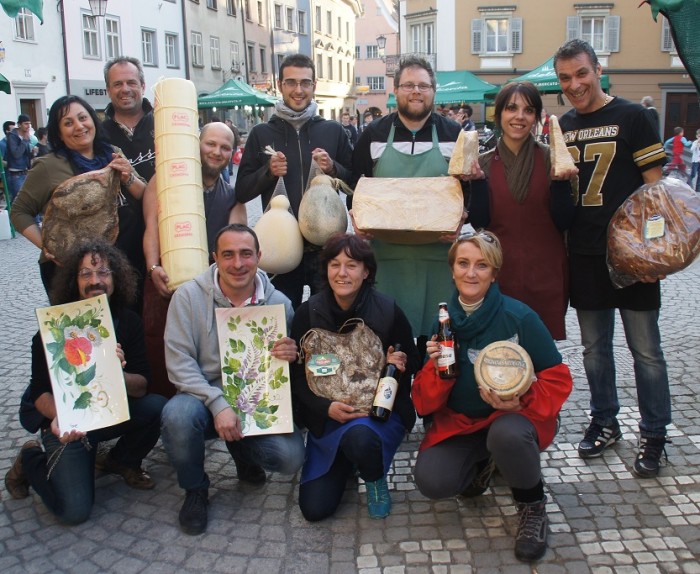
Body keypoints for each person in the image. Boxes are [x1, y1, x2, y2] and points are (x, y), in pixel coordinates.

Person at [412, 230, 573, 562]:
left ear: (495, 273)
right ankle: (485, 464)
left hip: (512, 419)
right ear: (452, 269)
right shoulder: (443, 321)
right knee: (433, 481)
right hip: (463, 423)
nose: (471, 273)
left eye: (482, 265)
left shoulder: (519, 317)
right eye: (463, 263)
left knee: (507, 433)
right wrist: (437, 367)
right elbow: (424, 403)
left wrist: (522, 398)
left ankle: (532, 507)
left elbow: (558, 377)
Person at [554, 39, 671, 477]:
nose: (575, 84)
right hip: (583, 253)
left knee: (646, 350)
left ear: (598, 70)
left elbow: (656, 191)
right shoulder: (561, 125)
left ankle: (654, 432)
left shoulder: (634, 117)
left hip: (633, 255)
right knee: (595, 350)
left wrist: (654, 249)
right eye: (565, 78)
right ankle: (605, 421)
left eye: (581, 73)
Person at [4, 240, 167, 525]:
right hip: (67, 422)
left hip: (107, 413)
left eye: (103, 272)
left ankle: (122, 460)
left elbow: (142, 385)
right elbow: (39, 391)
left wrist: (118, 371)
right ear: (73, 281)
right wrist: (62, 418)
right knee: (74, 511)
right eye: (86, 274)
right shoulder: (54, 328)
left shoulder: (127, 322)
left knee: (157, 407)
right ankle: (30, 459)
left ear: (116, 278)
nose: (96, 281)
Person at [161, 224, 305, 535]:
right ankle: (195, 490)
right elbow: (179, 362)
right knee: (177, 416)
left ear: (259, 257)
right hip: (201, 395)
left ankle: (242, 451)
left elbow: (287, 370)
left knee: (291, 457)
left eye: (245, 254)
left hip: (254, 396)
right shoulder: (187, 297)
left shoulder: (278, 302)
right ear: (215, 258)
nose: (237, 264)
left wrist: (292, 353)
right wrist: (217, 404)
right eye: (228, 255)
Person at [290, 233, 419, 521]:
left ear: (366, 271)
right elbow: (298, 378)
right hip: (330, 418)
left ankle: (374, 479)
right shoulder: (307, 315)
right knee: (314, 510)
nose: (342, 273)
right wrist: (326, 408)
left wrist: (398, 362)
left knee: (360, 438)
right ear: (325, 269)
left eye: (351, 265)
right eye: (334, 264)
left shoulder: (387, 310)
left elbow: (414, 359)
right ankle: (349, 460)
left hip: (375, 417)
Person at [350, 55, 468, 355]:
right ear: (396, 89)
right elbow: (355, 186)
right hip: (387, 259)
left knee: (439, 352)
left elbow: (470, 192)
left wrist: (462, 218)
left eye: (423, 85)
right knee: (392, 349)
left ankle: (435, 403)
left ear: (433, 91)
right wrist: (357, 217)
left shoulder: (455, 136)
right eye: (408, 85)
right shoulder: (373, 134)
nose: (416, 91)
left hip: (439, 260)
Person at [235, 53, 353, 308]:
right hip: (281, 250)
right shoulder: (261, 133)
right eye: (291, 82)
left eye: (305, 83)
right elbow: (242, 191)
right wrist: (268, 172)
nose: (298, 90)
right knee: (283, 321)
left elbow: (356, 184)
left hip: (325, 250)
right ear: (280, 85)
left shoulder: (333, 130)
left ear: (314, 85)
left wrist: (333, 168)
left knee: (329, 318)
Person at [140, 121, 248, 398]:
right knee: (161, 355)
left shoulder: (234, 196)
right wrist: (154, 268)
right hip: (165, 283)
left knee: (210, 357)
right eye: (210, 144)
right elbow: (151, 229)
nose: (217, 152)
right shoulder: (163, 180)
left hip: (211, 291)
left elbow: (238, 243)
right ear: (196, 144)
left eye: (225, 147)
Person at [467, 81, 576, 340]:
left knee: (541, 351)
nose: (519, 116)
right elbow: (480, 223)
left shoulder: (553, 158)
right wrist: (478, 183)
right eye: (511, 108)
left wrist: (561, 184)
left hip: (545, 271)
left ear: (536, 118)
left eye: (528, 110)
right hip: (499, 273)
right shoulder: (482, 163)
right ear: (499, 114)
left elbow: (565, 221)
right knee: (499, 351)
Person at [10, 95, 147, 295]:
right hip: (67, 270)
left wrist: (127, 177)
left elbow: (143, 194)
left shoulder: (113, 154)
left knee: (121, 322)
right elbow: (19, 212)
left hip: (113, 263)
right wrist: (49, 247)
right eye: (68, 123)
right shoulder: (48, 166)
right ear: (59, 132)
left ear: (93, 120)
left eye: (83, 118)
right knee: (81, 325)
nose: (79, 126)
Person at [102, 57, 155, 182]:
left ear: (143, 86)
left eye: (131, 82)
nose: (125, 89)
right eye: (118, 84)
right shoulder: (99, 135)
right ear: (108, 90)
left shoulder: (164, 125)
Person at [5, 114, 34, 203]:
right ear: (19, 124)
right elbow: (16, 154)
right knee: (20, 201)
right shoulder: (12, 136)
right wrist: (24, 140)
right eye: (26, 124)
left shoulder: (27, 135)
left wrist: (33, 152)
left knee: (30, 199)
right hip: (16, 174)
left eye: (29, 124)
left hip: (25, 172)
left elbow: (26, 154)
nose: (28, 126)